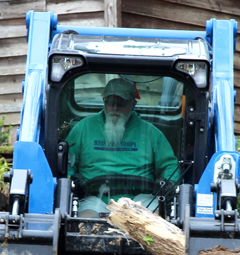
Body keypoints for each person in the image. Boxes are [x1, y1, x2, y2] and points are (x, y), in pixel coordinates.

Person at [66, 77, 179, 217]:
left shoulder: (151, 134)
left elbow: (170, 165)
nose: (115, 108)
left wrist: (168, 183)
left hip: (141, 199)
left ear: (133, 104)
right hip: (95, 198)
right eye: (110, 102)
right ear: (104, 102)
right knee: (85, 223)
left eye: (121, 103)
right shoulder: (83, 129)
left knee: (153, 221)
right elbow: (67, 162)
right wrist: (71, 179)